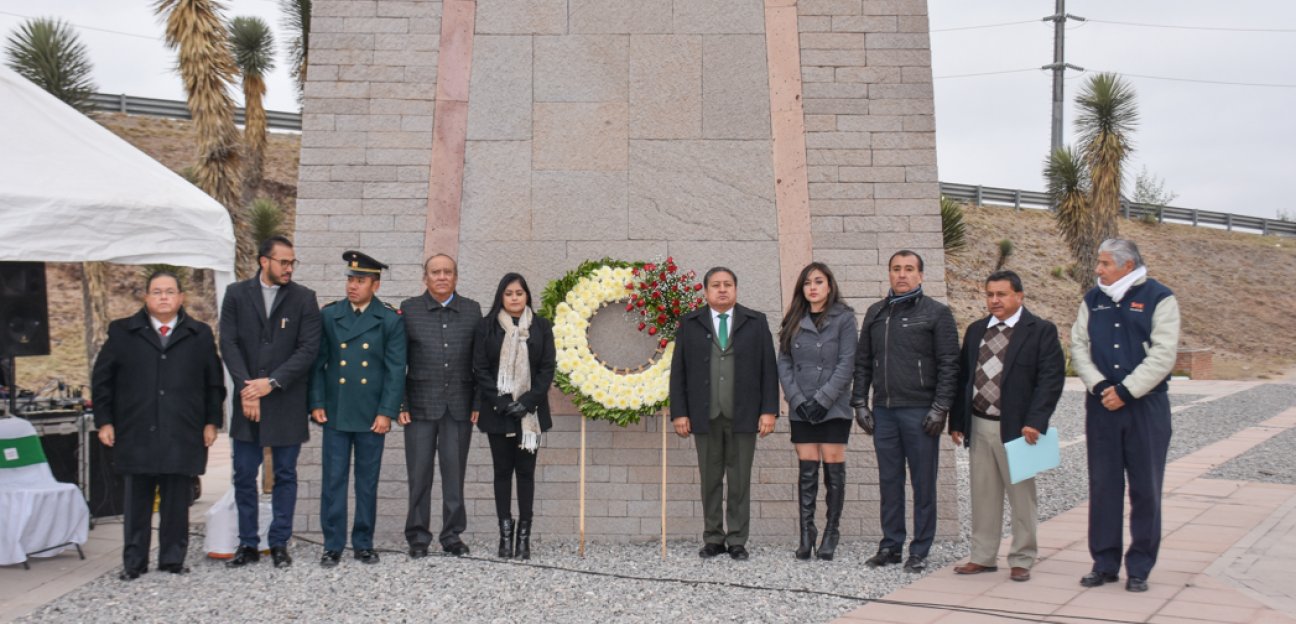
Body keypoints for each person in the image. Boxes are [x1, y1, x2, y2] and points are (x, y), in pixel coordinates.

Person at [91, 270, 224, 580]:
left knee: (177, 501)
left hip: (183, 430)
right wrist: (105, 421)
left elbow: (214, 384)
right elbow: (103, 382)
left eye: (169, 291)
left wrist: (211, 421)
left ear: (181, 298)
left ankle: (172, 559)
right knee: (137, 502)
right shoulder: (123, 332)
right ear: (146, 297)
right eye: (157, 291)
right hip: (137, 431)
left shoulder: (199, 334)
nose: (163, 297)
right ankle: (134, 563)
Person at [1071, 239, 1180, 593]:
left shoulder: (1160, 298)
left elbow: (1163, 355)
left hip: (1145, 408)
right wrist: (1102, 385)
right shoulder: (1092, 300)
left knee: (1146, 488)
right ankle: (1104, 563)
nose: (1098, 270)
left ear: (1127, 265)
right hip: (1102, 405)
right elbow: (1078, 346)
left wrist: (1127, 390)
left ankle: (1140, 567)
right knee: (1103, 486)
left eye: (1104, 264)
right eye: (1099, 263)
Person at [949, 270, 1065, 583]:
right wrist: (958, 421)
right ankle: (983, 557)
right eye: (990, 294)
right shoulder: (975, 331)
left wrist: (1036, 421)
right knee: (983, 494)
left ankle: (1022, 558)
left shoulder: (1040, 331)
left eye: (1001, 294)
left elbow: (1050, 381)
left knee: (1021, 498)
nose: (995, 300)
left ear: (1019, 296)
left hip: (1019, 431)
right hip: (979, 423)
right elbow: (963, 379)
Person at [851, 250, 958, 573]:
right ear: (889, 274)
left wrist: (940, 408)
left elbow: (950, 364)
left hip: (921, 412)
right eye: (896, 269)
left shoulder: (937, 314)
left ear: (921, 275)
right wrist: (859, 402)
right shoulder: (876, 313)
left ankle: (920, 549)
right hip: (884, 412)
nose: (902, 275)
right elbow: (863, 362)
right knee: (889, 482)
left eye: (909, 269)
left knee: (924, 484)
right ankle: (891, 545)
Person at [220, 236, 322, 569]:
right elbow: (229, 343)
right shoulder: (236, 295)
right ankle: (247, 543)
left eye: (293, 262)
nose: (289, 268)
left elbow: (308, 350)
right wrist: (247, 389)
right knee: (244, 475)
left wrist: (271, 383)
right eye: (283, 262)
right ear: (264, 261)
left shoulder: (304, 298)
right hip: (247, 401)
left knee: (284, 475)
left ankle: (279, 542)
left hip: (285, 402)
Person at [670, 267, 778, 561]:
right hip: (704, 415)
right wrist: (680, 413)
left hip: (744, 414)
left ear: (736, 289)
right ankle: (713, 537)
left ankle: (738, 539)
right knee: (710, 478)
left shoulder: (755, 322)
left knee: (739, 479)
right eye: (715, 285)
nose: (722, 290)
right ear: (705, 291)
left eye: (727, 285)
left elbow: (769, 368)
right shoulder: (689, 323)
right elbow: (678, 372)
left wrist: (769, 410)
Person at [309, 251, 406, 567]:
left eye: (360, 280)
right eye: (350, 279)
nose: (353, 285)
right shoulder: (330, 315)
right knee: (334, 481)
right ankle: (332, 544)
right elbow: (318, 364)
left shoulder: (389, 319)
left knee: (367, 482)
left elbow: (395, 370)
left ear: (375, 285)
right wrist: (317, 401)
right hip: (336, 411)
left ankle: (363, 542)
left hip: (370, 416)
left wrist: (386, 411)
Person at [399, 254, 481, 558]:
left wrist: (477, 401)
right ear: (426, 277)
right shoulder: (409, 310)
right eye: (436, 272)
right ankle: (418, 538)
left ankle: (452, 536)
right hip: (419, 407)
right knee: (419, 474)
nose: (442, 277)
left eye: (448, 272)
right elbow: (399, 361)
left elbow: (480, 363)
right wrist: (401, 402)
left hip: (459, 408)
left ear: (456, 277)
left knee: (454, 475)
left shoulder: (472, 311)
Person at [776, 262, 857, 561]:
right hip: (802, 406)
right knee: (807, 467)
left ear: (829, 286)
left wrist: (823, 399)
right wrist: (797, 399)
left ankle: (831, 532)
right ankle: (806, 532)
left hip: (833, 405)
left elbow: (847, 363)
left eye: (818, 281)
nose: (812, 287)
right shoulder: (794, 318)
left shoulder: (844, 318)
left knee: (833, 465)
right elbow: (784, 362)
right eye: (807, 282)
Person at [472, 273, 554, 560]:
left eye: (520, 292)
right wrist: (502, 403)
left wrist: (528, 402)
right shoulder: (487, 327)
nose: (515, 297)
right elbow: (480, 368)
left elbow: (547, 369)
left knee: (526, 474)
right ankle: (505, 537)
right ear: (501, 297)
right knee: (502, 473)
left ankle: (524, 539)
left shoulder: (541, 326)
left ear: (527, 295)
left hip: (529, 414)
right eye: (509, 293)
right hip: (499, 413)